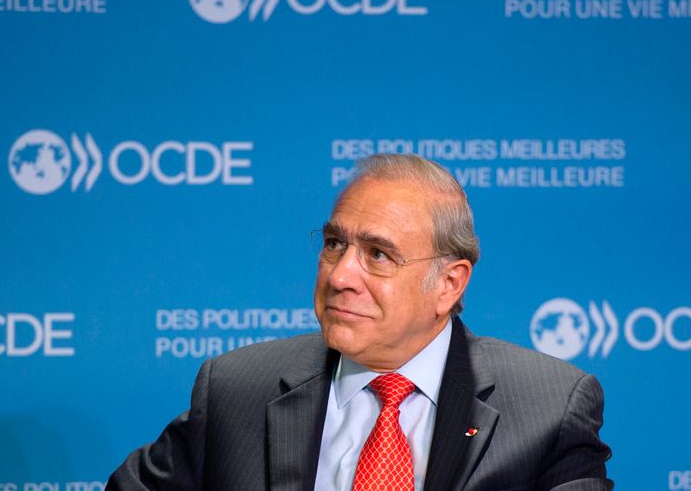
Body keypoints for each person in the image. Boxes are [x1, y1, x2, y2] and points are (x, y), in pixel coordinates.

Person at [107, 153, 613, 490]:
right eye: (334, 245)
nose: (341, 274)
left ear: (449, 284)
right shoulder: (238, 389)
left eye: (378, 255)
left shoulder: (547, 408)